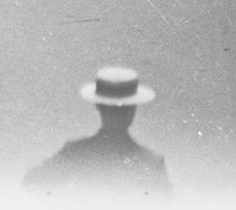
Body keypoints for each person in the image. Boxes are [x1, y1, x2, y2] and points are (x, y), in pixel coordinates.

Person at [24, 67, 171, 201]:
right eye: (111, 109)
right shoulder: (76, 154)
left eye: (125, 109)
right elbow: (32, 181)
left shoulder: (152, 164)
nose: (119, 115)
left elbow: (162, 209)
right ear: (99, 107)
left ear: (134, 110)